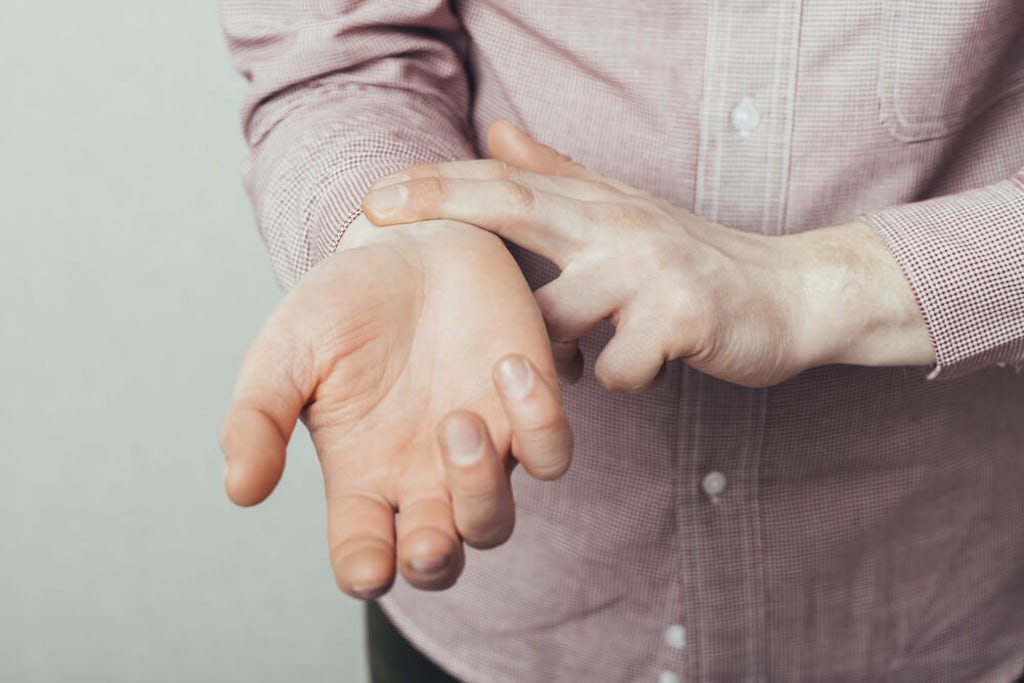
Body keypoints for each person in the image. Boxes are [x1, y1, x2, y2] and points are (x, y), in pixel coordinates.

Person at [218, 2, 1024, 681]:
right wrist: (400, 224)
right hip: (514, 601)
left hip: (946, 604)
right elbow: (336, 43)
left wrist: (825, 287)